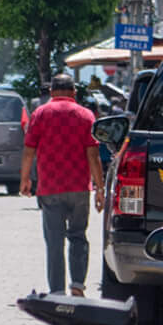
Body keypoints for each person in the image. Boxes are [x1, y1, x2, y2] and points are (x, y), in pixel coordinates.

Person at [22, 71, 102, 297]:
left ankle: (57, 291)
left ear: (50, 92)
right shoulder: (86, 115)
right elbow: (93, 155)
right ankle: (77, 285)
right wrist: (100, 189)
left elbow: (29, 150)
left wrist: (25, 179)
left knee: (55, 241)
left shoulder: (40, 113)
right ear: (74, 93)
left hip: (50, 188)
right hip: (79, 188)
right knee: (78, 236)